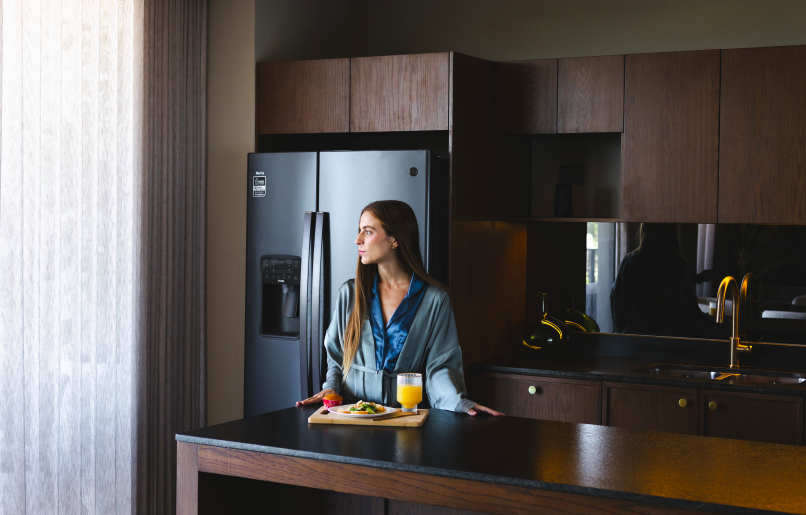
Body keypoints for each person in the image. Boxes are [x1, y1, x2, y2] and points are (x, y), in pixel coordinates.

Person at [296, 200, 503, 416]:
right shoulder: (350, 293)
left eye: (368, 231)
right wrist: (330, 388)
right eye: (360, 230)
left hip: (405, 417)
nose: (358, 239)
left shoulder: (434, 300)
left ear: (395, 239)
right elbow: (336, 355)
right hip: (351, 416)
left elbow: (440, 366)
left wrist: (460, 403)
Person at [610, 223, 718, 339]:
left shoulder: (630, 263)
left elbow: (617, 311)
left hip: (635, 343)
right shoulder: (679, 265)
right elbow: (691, 314)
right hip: (672, 344)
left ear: (645, 228)